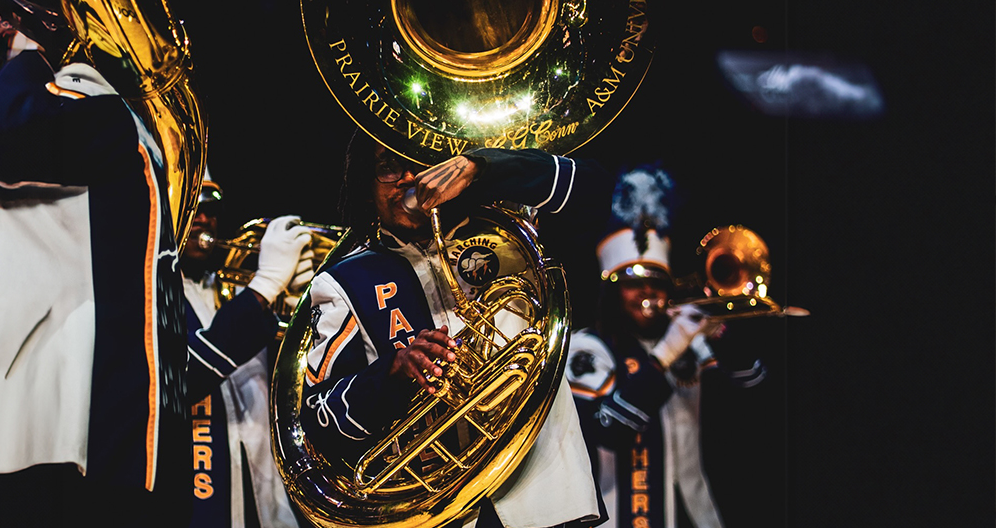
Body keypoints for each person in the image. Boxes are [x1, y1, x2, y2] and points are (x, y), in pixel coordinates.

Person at [299, 130, 609, 528]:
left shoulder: (510, 219)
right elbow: (319, 419)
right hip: (444, 512)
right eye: (387, 167)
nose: (410, 178)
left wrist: (482, 167)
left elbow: (597, 188)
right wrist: (391, 372)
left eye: (420, 160)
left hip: (550, 493)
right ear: (364, 182)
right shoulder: (343, 281)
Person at [0, 43, 194, 527]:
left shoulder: (82, 94)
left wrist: (24, 52)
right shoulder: (120, 115)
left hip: (60, 448)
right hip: (115, 450)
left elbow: (8, 131)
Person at [565, 164, 765, 528]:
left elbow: (754, 389)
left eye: (658, 282)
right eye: (633, 283)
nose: (648, 292)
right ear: (612, 292)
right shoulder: (587, 348)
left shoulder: (689, 342)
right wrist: (665, 354)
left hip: (694, 515)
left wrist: (720, 333)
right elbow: (607, 430)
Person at [181, 172, 315, 528]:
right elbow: (184, 379)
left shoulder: (230, 290)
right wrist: (267, 284)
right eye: (191, 204)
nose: (204, 217)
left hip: (271, 505)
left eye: (210, 207)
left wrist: (304, 304)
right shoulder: (147, 294)